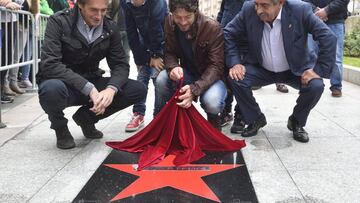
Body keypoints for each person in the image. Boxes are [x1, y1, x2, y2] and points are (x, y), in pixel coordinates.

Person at [37, 0, 146, 149]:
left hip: (92, 78)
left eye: (103, 10)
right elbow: (50, 64)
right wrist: (88, 88)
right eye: (94, 10)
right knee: (50, 90)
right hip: (63, 83)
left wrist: (111, 89)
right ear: (80, 5)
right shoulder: (58, 21)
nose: (99, 16)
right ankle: (60, 128)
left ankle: (86, 118)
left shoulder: (109, 26)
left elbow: (120, 64)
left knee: (138, 89)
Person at [224, 0, 336, 142]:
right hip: (261, 68)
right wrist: (235, 63)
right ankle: (255, 118)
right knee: (235, 78)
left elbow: (328, 37)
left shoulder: (300, 10)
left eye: (265, 5)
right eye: (257, 5)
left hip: (294, 70)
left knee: (316, 85)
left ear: (280, 3)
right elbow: (228, 33)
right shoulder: (248, 9)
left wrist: (318, 70)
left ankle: (297, 121)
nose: (259, 10)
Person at [155, 0, 227, 131]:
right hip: (188, 74)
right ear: (172, 14)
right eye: (178, 17)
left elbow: (216, 67)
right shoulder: (169, 22)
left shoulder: (212, 28)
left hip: (212, 79)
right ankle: (175, 117)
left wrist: (194, 89)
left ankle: (213, 122)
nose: (182, 22)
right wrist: (173, 67)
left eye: (187, 17)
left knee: (212, 101)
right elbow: (169, 52)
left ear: (196, 11)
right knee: (161, 79)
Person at [121, 0, 168, 132]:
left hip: (163, 42)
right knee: (142, 76)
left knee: (157, 78)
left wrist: (156, 55)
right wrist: (139, 59)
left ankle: (159, 116)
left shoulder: (157, 2)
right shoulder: (125, 3)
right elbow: (131, 32)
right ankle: (138, 114)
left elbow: (157, 29)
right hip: (144, 43)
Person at [304, 0, 349, 97]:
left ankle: (336, 86)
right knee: (311, 55)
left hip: (335, 20)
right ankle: (313, 83)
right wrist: (316, 10)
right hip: (313, 19)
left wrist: (326, 11)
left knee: (336, 57)